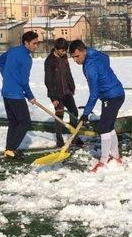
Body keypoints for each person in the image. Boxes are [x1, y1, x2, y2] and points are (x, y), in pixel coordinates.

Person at [69, 39, 125, 173]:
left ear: (84, 51)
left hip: (111, 96)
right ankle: (116, 157)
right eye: (73, 57)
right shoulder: (95, 54)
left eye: (77, 56)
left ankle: (103, 161)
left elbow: (94, 94)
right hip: (118, 93)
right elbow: (106, 57)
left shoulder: (90, 67)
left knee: (104, 128)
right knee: (109, 126)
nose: (76, 60)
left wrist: (85, 114)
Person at [0, 31, 39, 159]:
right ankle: (11, 148)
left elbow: (0, 60)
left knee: (14, 122)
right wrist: (30, 96)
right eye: (34, 43)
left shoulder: (13, 50)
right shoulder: (26, 59)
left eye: (37, 43)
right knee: (25, 122)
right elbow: (24, 81)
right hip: (15, 95)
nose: (36, 46)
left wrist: (6, 75)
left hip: (6, 92)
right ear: (26, 43)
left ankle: (9, 149)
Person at [44, 38, 79, 148]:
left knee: (74, 112)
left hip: (67, 91)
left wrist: (72, 86)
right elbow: (48, 80)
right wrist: (53, 97)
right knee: (59, 115)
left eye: (65, 50)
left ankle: (74, 138)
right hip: (57, 93)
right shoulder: (49, 61)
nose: (64, 52)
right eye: (62, 50)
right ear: (55, 49)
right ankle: (59, 140)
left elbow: (68, 73)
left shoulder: (64, 58)